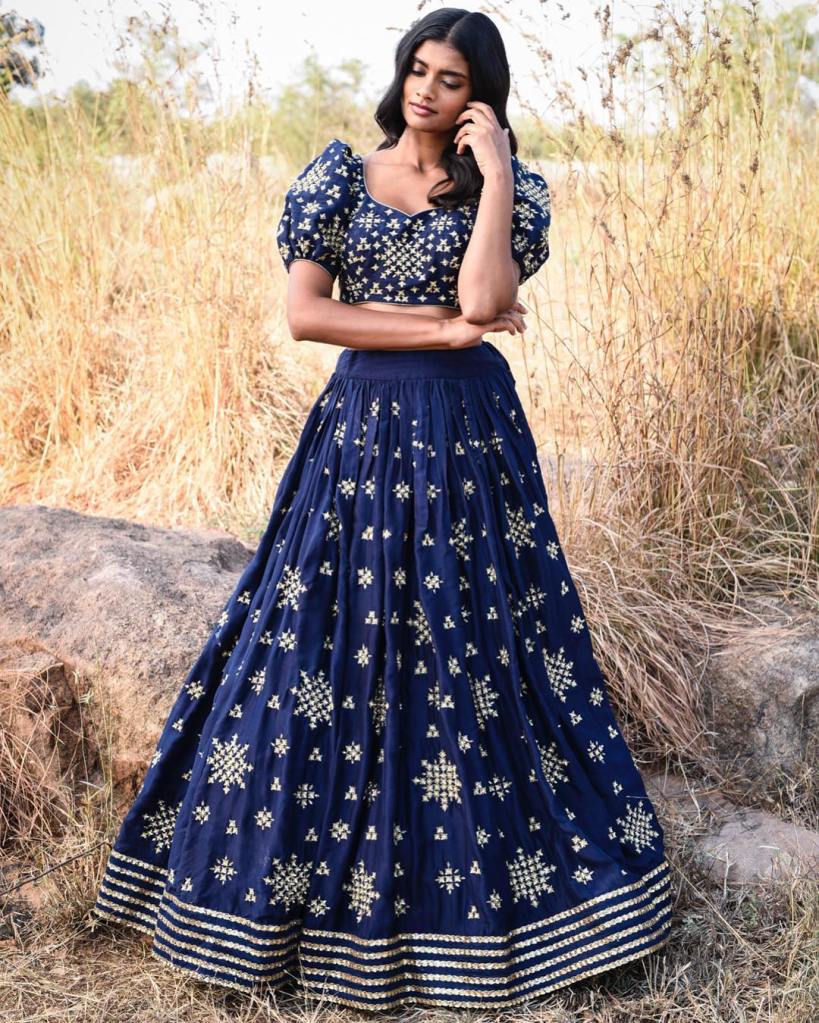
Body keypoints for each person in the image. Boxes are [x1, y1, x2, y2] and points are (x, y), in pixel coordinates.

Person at [91, 7, 673, 1012]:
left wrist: (494, 175)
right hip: (361, 430)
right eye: (418, 69)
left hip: (469, 434)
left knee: (476, 637)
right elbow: (306, 314)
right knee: (322, 635)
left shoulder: (511, 193)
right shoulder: (338, 177)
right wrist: (436, 333)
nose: (426, 91)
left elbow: (483, 303)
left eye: (451, 80)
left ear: (480, 97)